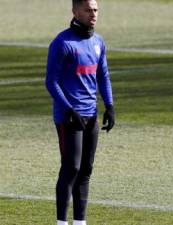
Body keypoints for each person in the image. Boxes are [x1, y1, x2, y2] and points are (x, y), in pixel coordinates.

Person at [45, 0, 114, 225]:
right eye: (88, 10)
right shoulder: (62, 42)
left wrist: (110, 106)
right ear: (75, 12)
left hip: (91, 115)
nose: (93, 14)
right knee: (71, 167)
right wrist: (68, 108)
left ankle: (80, 222)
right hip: (68, 117)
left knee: (86, 169)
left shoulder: (98, 42)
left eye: (96, 10)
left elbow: (103, 76)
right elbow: (51, 82)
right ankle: (61, 222)